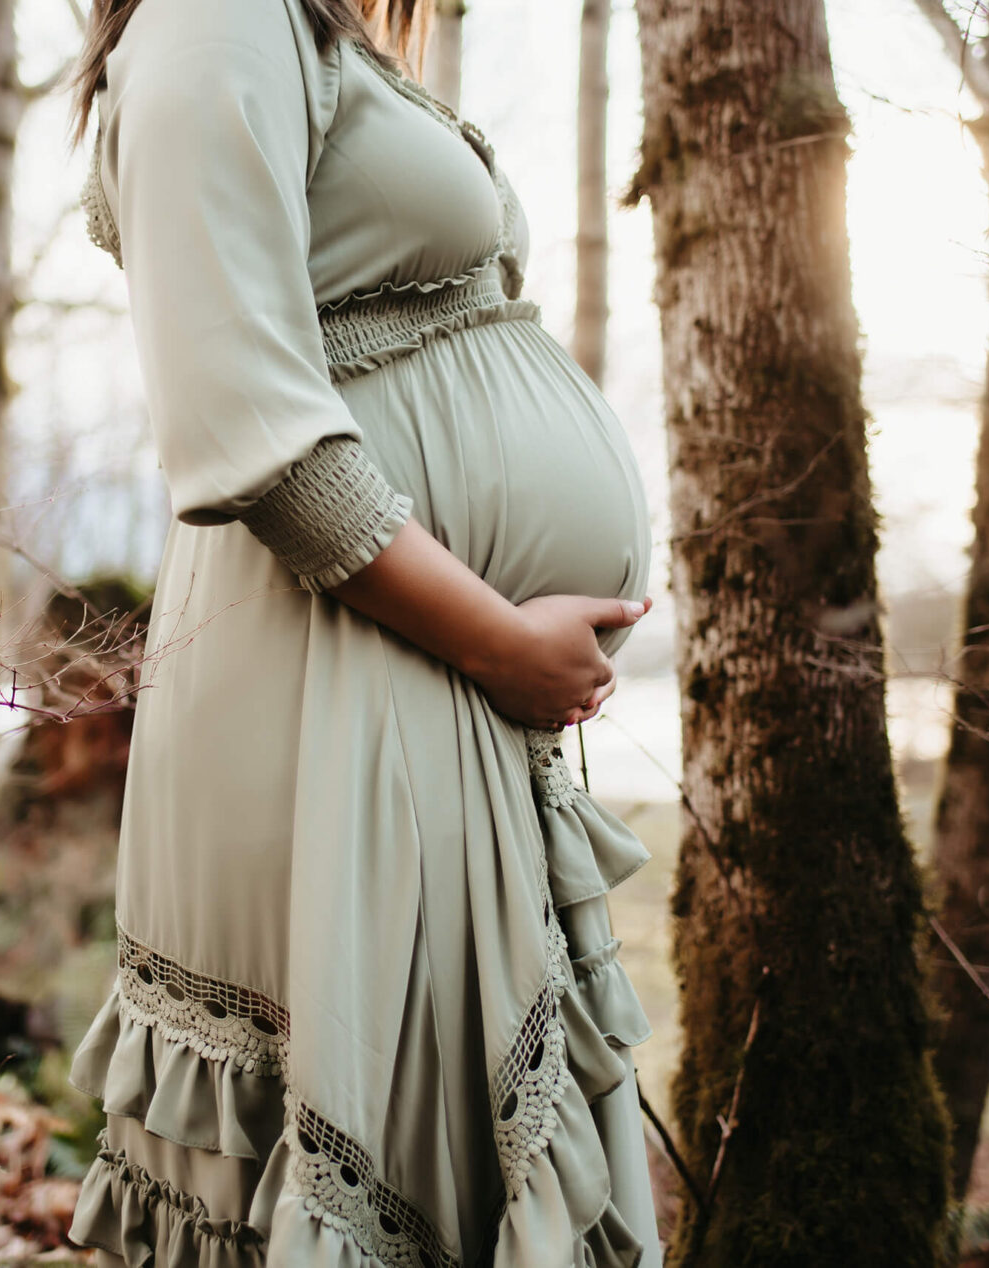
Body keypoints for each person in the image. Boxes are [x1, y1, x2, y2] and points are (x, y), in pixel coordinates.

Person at [65, 0, 661, 1262]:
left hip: (415, 664)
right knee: (389, 1139)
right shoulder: (210, 18)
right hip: (341, 662)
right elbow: (247, 422)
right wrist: (498, 639)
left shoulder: (313, 32)